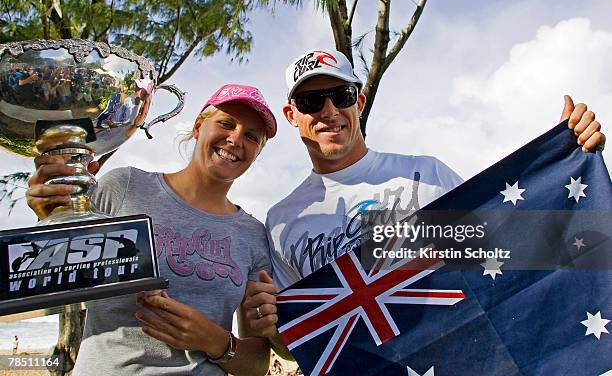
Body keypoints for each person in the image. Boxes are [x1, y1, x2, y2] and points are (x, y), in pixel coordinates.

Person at [241, 48, 607, 357]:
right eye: (311, 101)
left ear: (360, 101)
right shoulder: (282, 221)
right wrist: (270, 328)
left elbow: (509, 251)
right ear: (292, 115)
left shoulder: (427, 174)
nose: (329, 110)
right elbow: (297, 344)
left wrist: (562, 161)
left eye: (341, 96)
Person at [26, 84, 278, 375]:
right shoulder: (125, 187)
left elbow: (257, 363)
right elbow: (53, 275)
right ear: (199, 126)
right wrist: (54, 216)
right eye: (226, 123)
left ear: (257, 152)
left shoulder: (252, 235)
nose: (235, 139)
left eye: (251, 136)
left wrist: (213, 340)